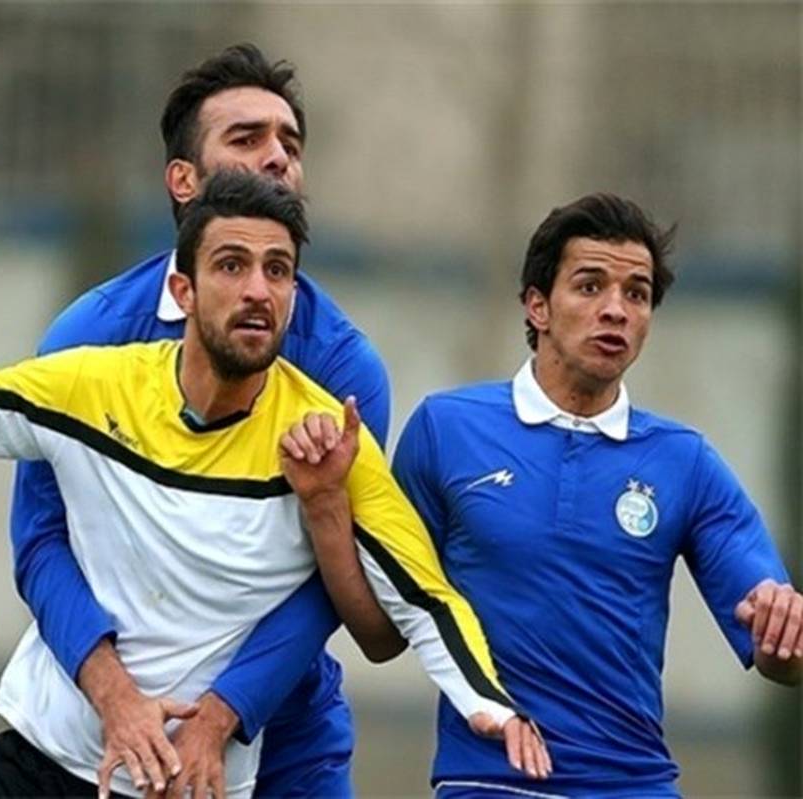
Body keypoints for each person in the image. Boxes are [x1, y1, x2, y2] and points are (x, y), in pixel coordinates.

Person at [0, 170, 550, 799]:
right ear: (182, 288)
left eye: (278, 270)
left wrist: (489, 702)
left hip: (196, 780)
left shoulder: (325, 436)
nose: (257, 290)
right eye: (231, 265)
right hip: (47, 760)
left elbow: (422, 596)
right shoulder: (94, 384)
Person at [284, 192, 801, 798]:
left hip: (634, 783)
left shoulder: (685, 462)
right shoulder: (445, 431)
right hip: (487, 779)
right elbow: (383, 633)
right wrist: (325, 506)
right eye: (590, 286)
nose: (616, 310)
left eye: (636, 294)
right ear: (538, 306)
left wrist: (783, 629)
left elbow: (782, 659)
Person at [9, 43, 394, 799]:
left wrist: (220, 717)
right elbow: (40, 537)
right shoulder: (89, 337)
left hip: (281, 731)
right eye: (247, 138)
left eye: (291, 144)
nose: (278, 157)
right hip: (102, 719)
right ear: (183, 181)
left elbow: (333, 579)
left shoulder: (344, 371)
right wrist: (117, 699)